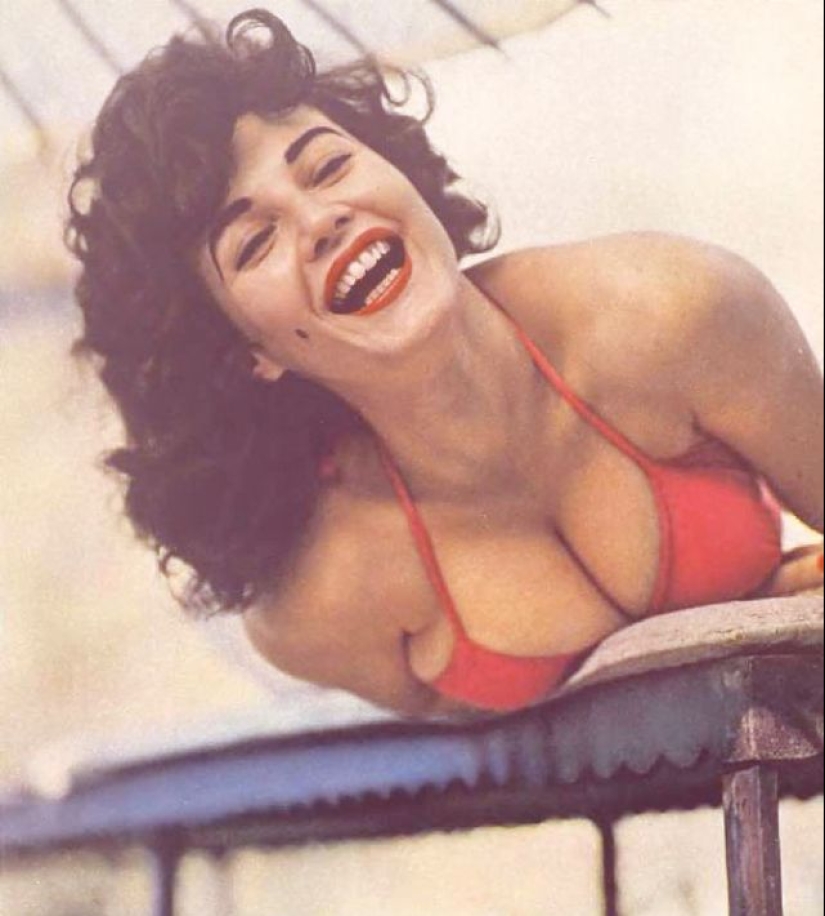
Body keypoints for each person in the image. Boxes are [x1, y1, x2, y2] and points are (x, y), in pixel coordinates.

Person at [66, 10, 823, 717]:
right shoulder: (321, 601)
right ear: (248, 356)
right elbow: (513, 775)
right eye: (255, 243)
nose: (321, 220)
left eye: (327, 167)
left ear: (398, 174)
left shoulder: (674, 311)